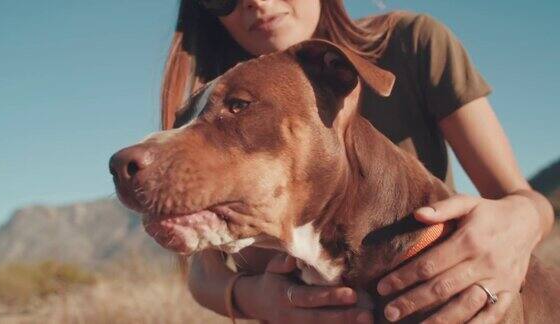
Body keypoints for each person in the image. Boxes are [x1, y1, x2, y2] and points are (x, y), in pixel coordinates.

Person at [160, 1, 555, 323]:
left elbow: (519, 196)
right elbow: (203, 271)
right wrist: (254, 298)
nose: (256, 2)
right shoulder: (207, 113)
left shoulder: (410, 42)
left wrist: (516, 226)